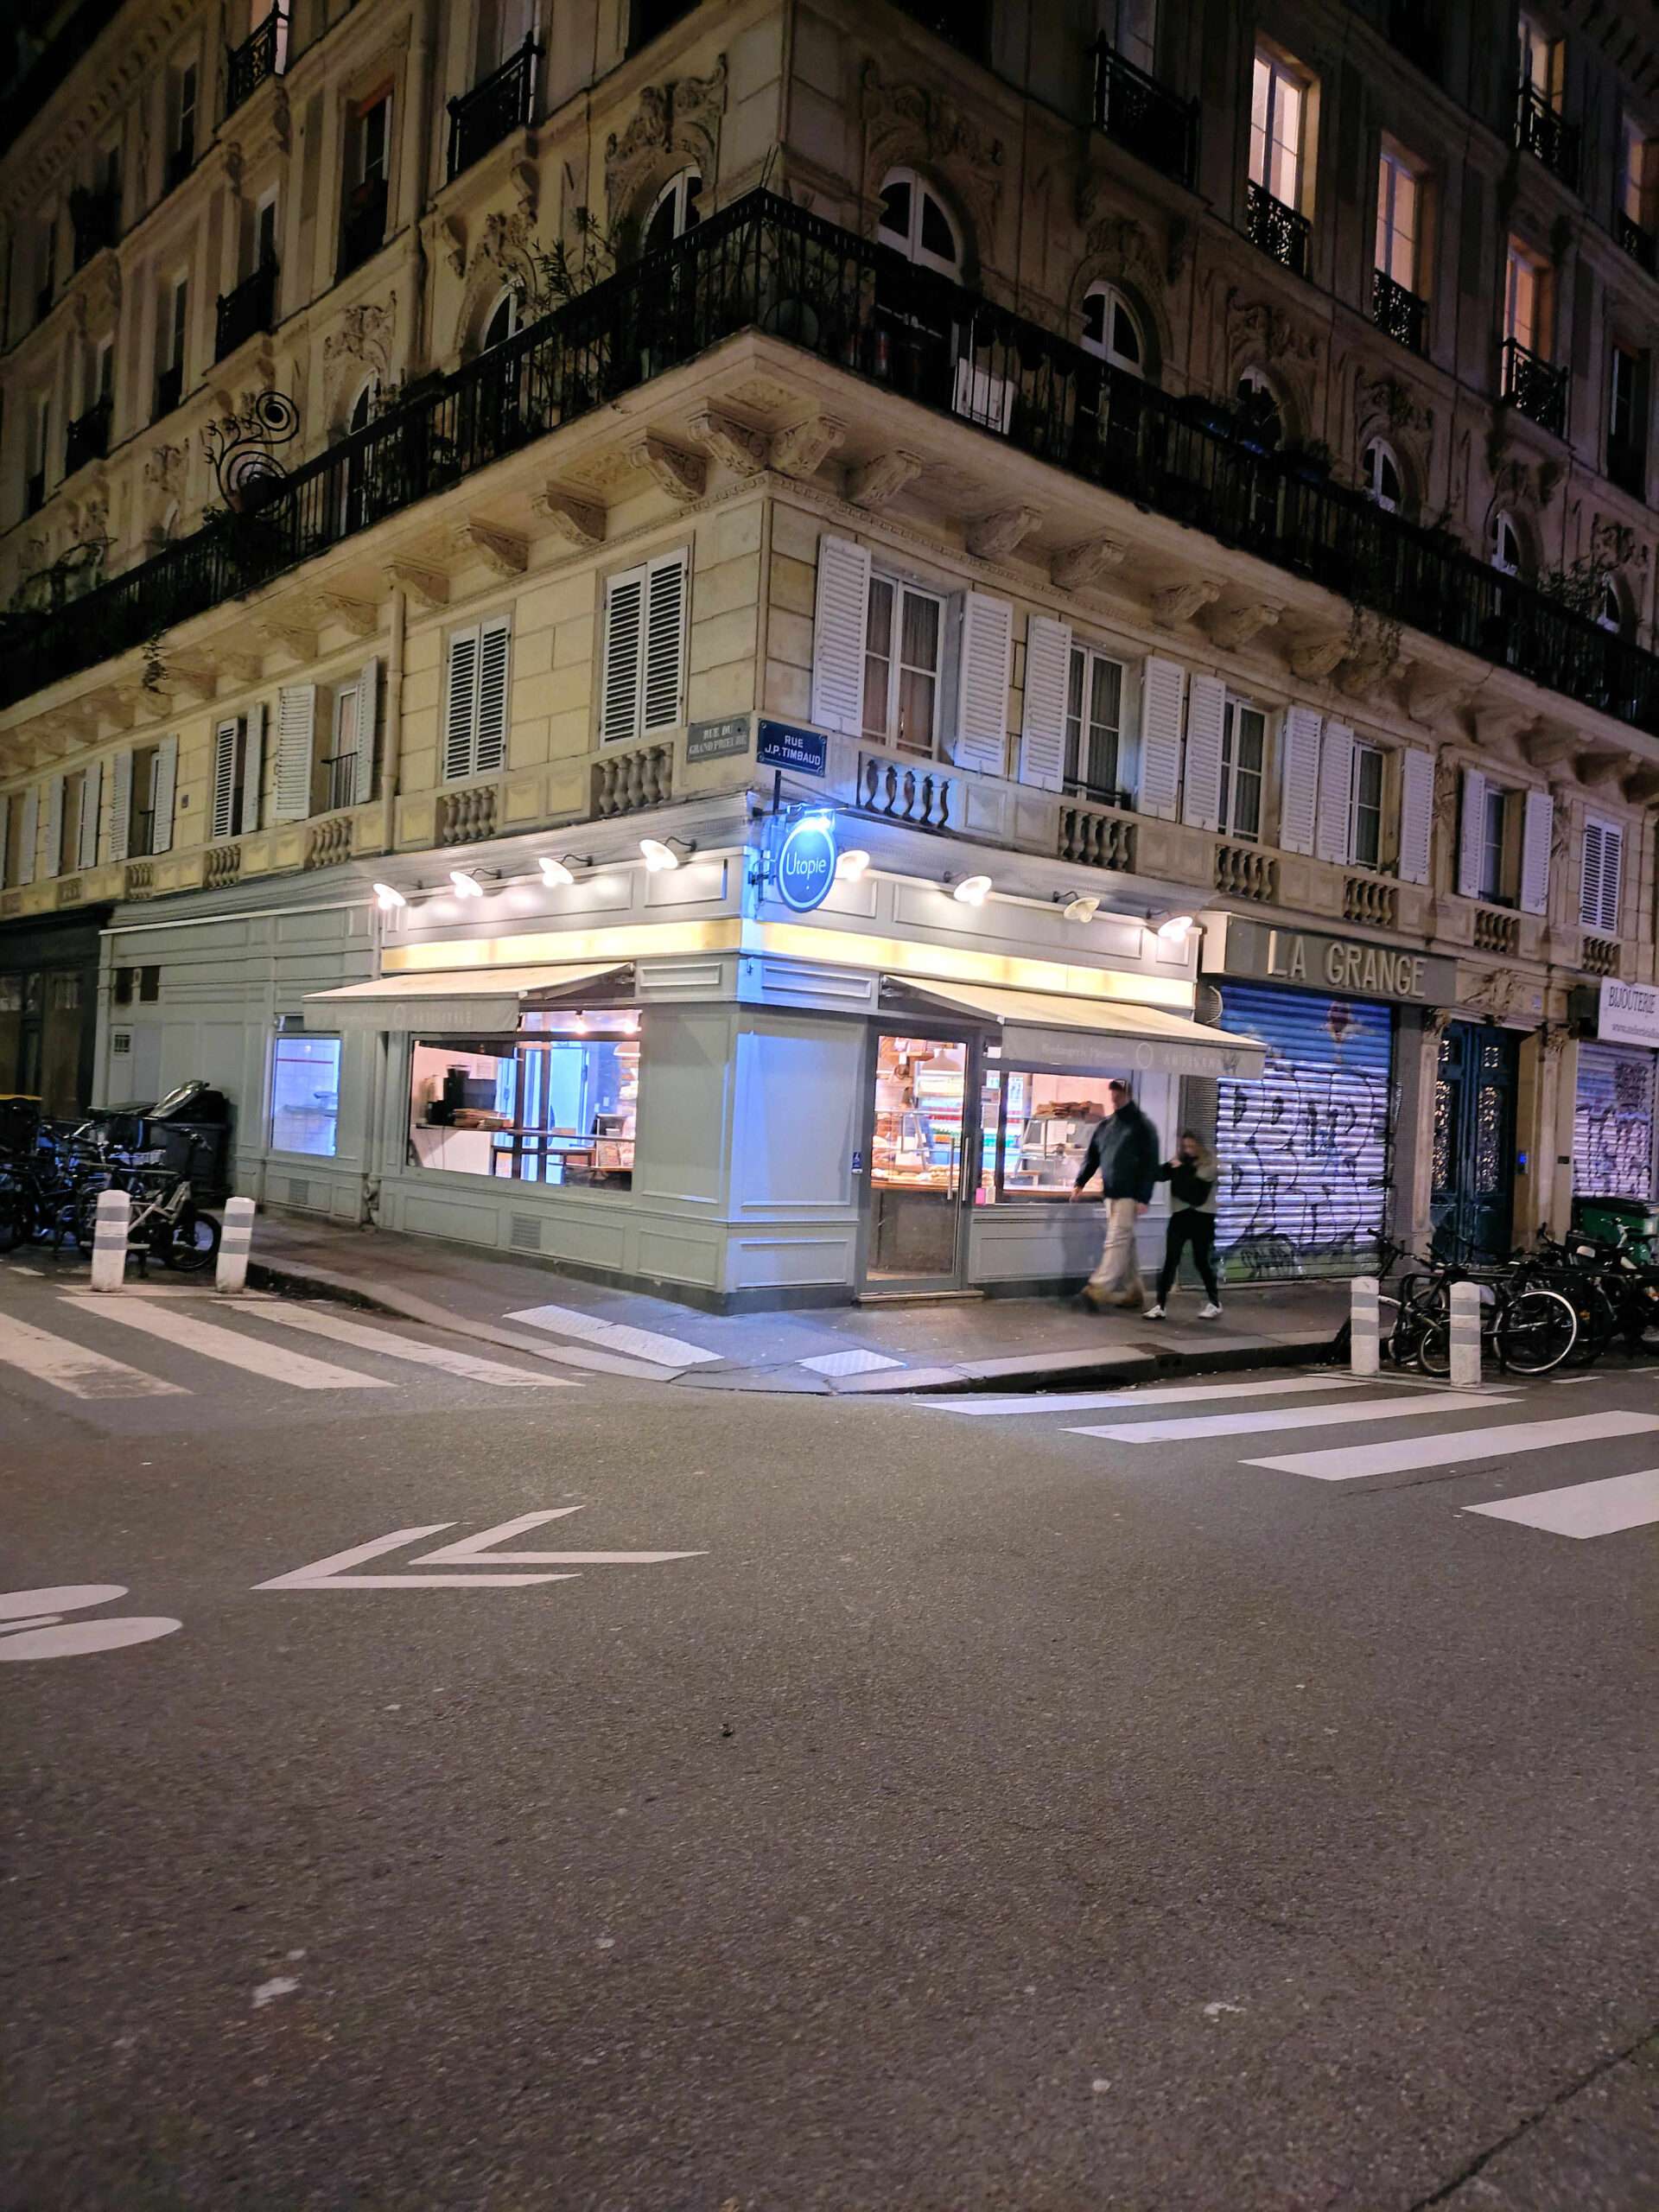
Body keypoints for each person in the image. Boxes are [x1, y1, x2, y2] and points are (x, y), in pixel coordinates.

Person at [1069, 1077, 1160, 1309]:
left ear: (1128, 1094)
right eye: (1113, 1092)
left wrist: (1143, 1197)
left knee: (1116, 1240)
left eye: (1119, 1093)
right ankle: (1134, 1291)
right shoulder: (1106, 1126)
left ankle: (1098, 1288)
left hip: (1130, 1194)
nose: (1115, 1097)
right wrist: (1080, 1182)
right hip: (1111, 1193)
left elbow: (1150, 1165)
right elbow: (1093, 1156)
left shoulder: (1141, 1126)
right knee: (1125, 1241)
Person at [1145, 1131, 1223, 1320]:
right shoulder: (1181, 1161)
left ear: (1200, 1146)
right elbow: (1159, 1174)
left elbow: (1194, 1195)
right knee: (1171, 1260)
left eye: (1192, 1146)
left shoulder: (1208, 1164)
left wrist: (1179, 1171)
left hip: (1202, 1218)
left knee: (1201, 1261)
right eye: (1185, 1146)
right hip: (1180, 1216)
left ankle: (1214, 1302)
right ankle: (1160, 1305)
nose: (1188, 1150)